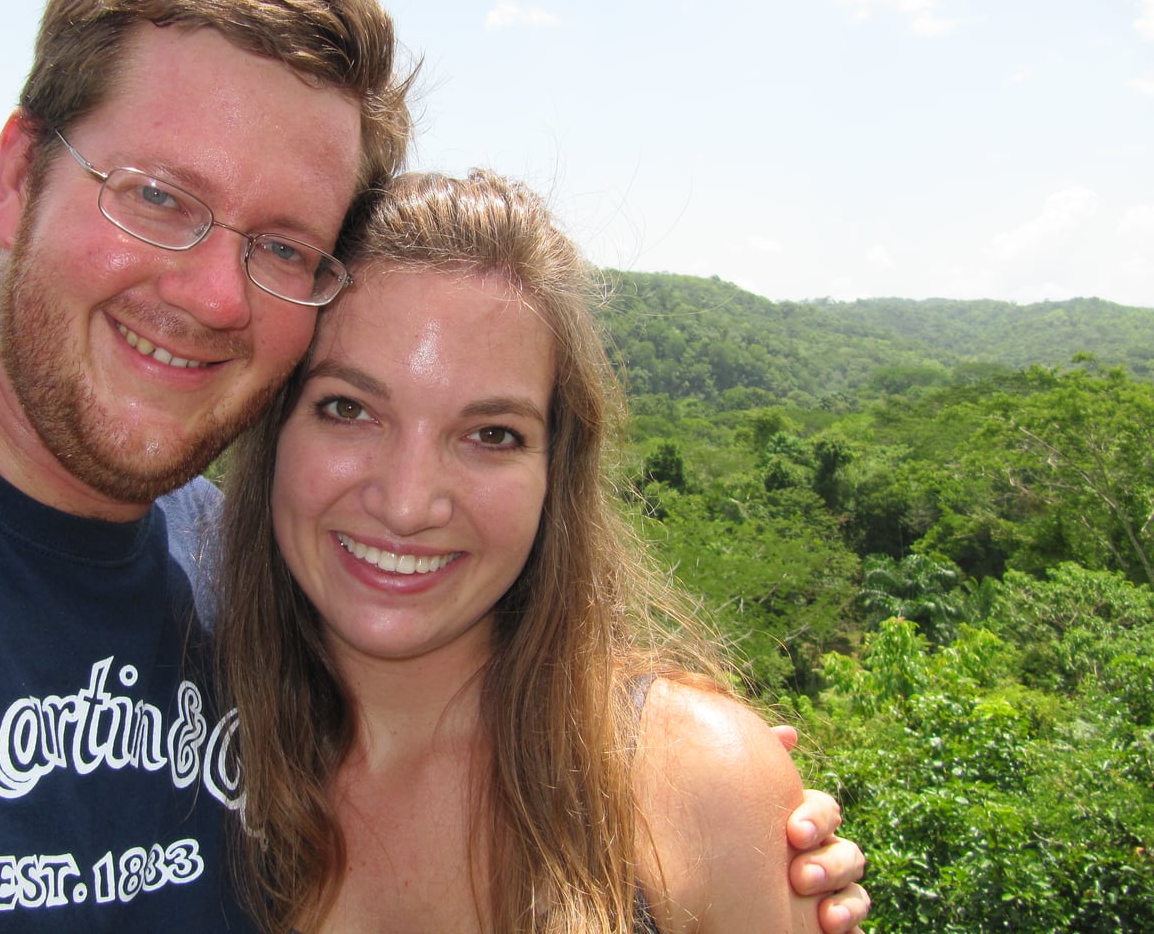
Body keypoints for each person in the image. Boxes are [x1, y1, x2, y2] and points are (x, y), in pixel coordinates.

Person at [0, 0, 865, 932]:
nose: (215, 296)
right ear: (18, 177)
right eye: (157, 195)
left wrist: (709, 795)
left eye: (280, 246)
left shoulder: (246, 597)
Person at [216, 168, 870, 933]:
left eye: (492, 434)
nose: (407, 503)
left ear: (555, 473)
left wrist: (740, 784)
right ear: (272, 429)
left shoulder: (690, 785)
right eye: (348, 408)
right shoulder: (177, 740)